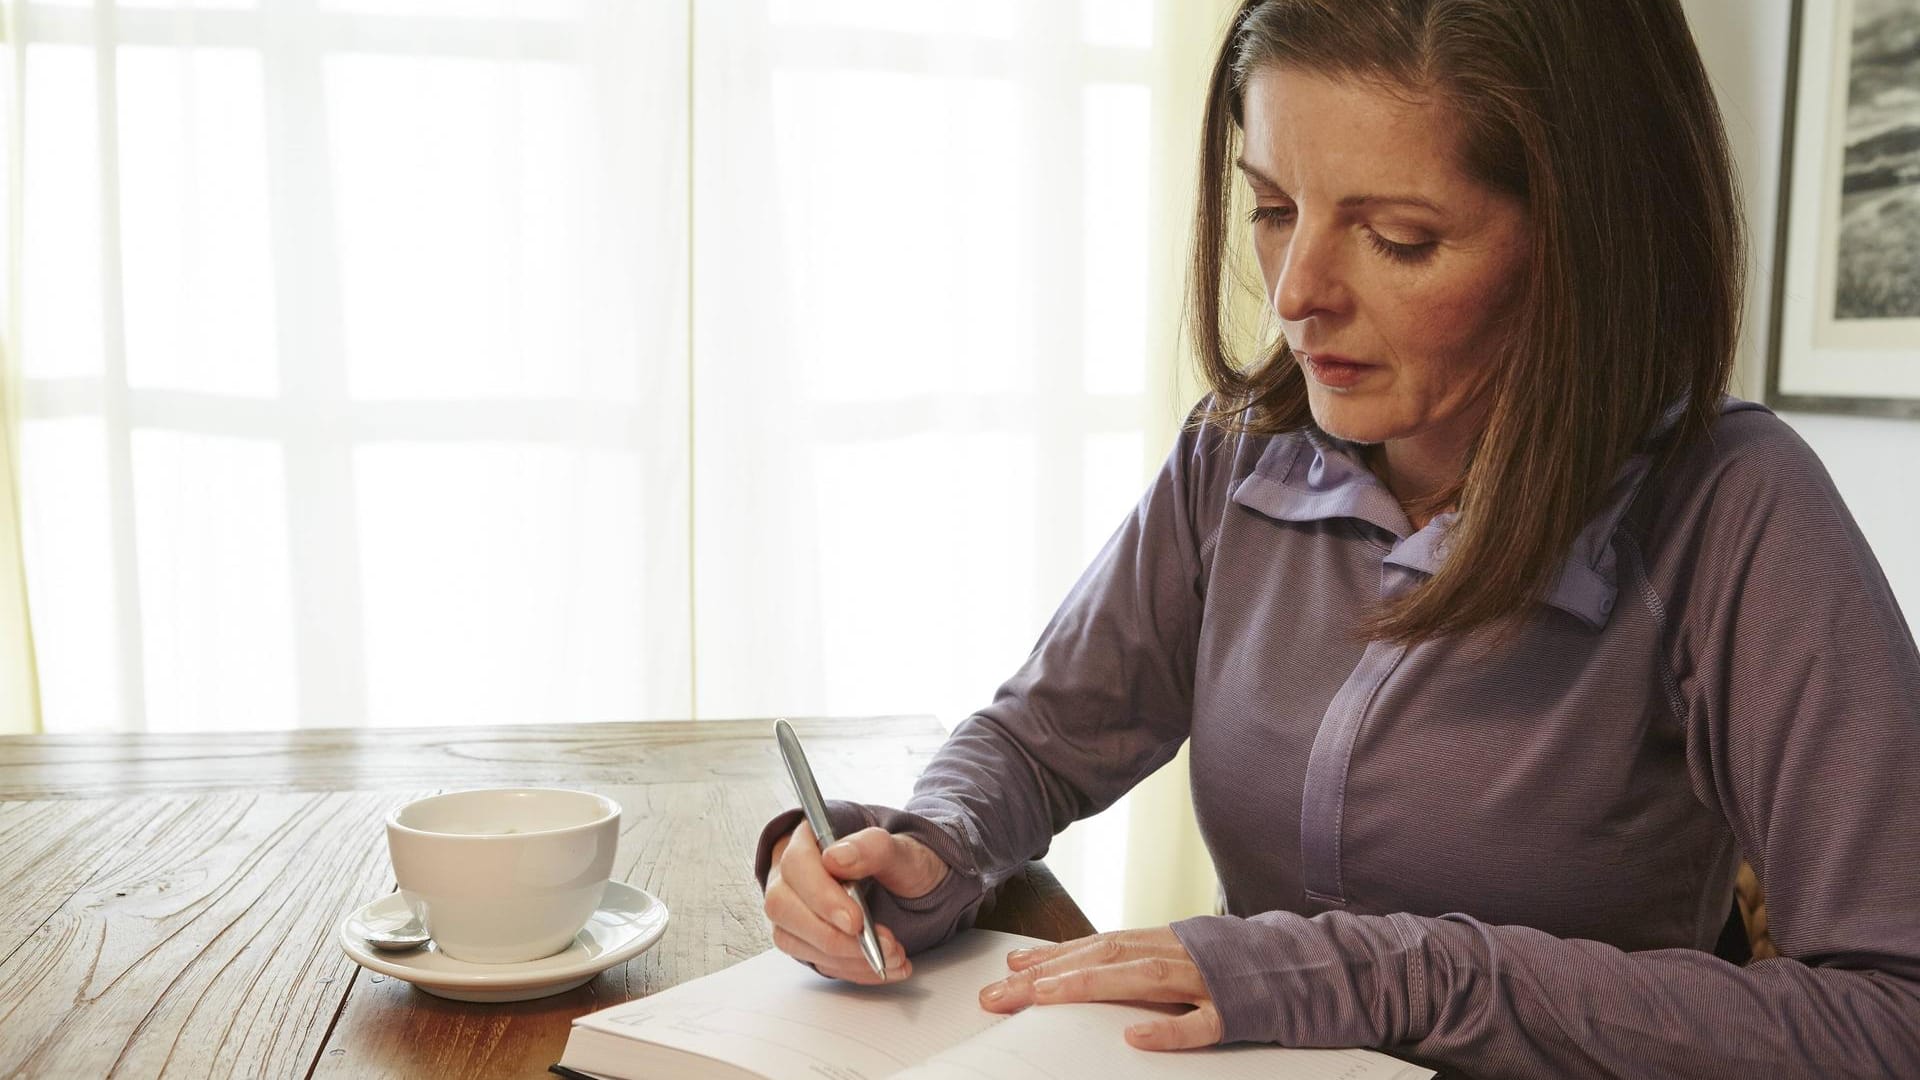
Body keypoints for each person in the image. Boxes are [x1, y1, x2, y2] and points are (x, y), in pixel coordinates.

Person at [754, 1, 1920, 1076]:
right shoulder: (1236, 458)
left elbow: (1893, 1014)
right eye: (1272, 207)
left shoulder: (1737, 510)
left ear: (1586, 245)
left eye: (1400, 238)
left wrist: (1390, 976)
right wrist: (934, 845)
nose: (1296, 291)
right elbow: (1042, 737)